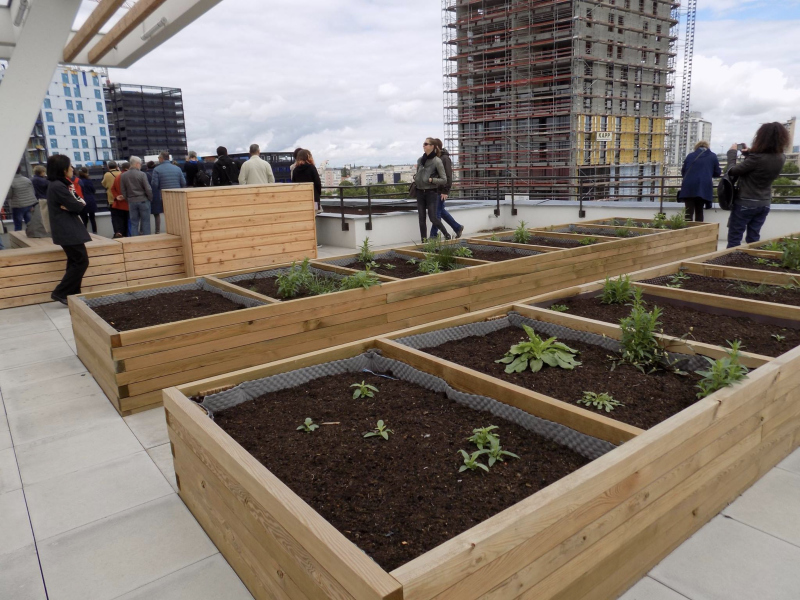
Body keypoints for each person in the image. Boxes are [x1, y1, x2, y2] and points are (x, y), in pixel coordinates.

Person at [726, 122, 789, 248]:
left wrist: (732, 154)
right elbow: (760, 162)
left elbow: (732, 171)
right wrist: (748, 154)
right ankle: (751, 261)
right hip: (764, 203)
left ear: (761, 137)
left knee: (735, 238)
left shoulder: (757, 158)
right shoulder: (781, 157)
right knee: (754, 238)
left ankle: (731, 264)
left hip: (746, 202)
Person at [46, 155, 90, 305]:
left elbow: (77, 204)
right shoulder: (58, 186)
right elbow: (78, 206)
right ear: (63, 169)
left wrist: (72, 206)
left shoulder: (60, 184)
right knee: (81, 261)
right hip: (67, 230)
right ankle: (61, 292)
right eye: (70, 166)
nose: (72, 169)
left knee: (74, 261)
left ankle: (73, 294)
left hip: (67, 228)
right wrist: (73, 206)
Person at [414, 137, 450, 241]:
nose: (423, 146)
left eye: (426, 144)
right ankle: (424, 242)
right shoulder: (420, 160)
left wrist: (432, 180)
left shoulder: (437, 161)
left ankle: (446, 234)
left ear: (432, 146)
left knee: (433, 218)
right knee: (421, 219)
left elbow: (444, 179)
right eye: (423, 144)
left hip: (431, 193)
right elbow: (419, 173)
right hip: (420, 192)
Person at [678, 141, 721, 223]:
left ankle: (686, 232)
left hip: (688, 186)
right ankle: (698, 232)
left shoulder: (690, 156)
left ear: (696, 147)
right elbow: (717, 173)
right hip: (703, 186)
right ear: (707, 147)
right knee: (699, 210)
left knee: (688, 212)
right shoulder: (712, 156)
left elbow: (683, 171)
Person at [429, 138, 463, 239]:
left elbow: (448, 176)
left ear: (436, 147)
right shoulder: (437, 158)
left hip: (441, 191)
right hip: (436, 190)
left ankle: (433, 236)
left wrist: (445, 191)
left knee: (436, 214)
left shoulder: (444, 158)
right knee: (440, 212)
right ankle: (457, 227)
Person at [151, 151, 186, 233]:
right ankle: (179, 229)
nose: (158, 159)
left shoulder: (157, 169)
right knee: (177, 213)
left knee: (168, 214)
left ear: (162, 158)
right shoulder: (177, 168)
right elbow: (183, 183)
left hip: (164, 195)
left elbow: (154, 184)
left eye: (159, 158)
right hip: (177, 194)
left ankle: (171, 230)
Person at [120, 157, 152, 236]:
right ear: (137, 164)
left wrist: (128, 199)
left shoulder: (123, 175)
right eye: (140, 164)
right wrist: (150, 198)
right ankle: (147, 240)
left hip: (131, 201)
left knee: (134, 223)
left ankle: (134, 240)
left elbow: (123, 190)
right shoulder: (142, 174)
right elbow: (148, 188)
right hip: (143, 200)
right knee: (145, 222)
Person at [5, 167, 39, 231]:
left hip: (18, 205)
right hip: (29, 204)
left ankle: (18, 238)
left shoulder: (10, 182)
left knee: (18, 225)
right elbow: (32, 191)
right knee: (29, 222)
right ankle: (32, 235)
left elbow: (9, 196)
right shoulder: (27, 179)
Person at [291, 149, 322, 213]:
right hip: (313, 197)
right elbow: (317, 183)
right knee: (314, 215)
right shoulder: (311, 167)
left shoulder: (295, 170)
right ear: (308, 157)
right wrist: (318, 194)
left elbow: (293, 184)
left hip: (301, 199)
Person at [108, 162, 129, 238]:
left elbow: (112, 188)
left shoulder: (118, 177)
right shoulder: (128, 176)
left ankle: (119, 233)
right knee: (127, 222)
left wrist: (116, 196)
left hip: (117, 204)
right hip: (127, 204)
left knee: (118, 221)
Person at [77, 168, 98, 233]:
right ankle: (95, 232)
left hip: (82, 200)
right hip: (90, 200)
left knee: (84, 219)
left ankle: (84, 233)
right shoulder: (88, 181)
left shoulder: (78, 181)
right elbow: (93, 190)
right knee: (92, 218)